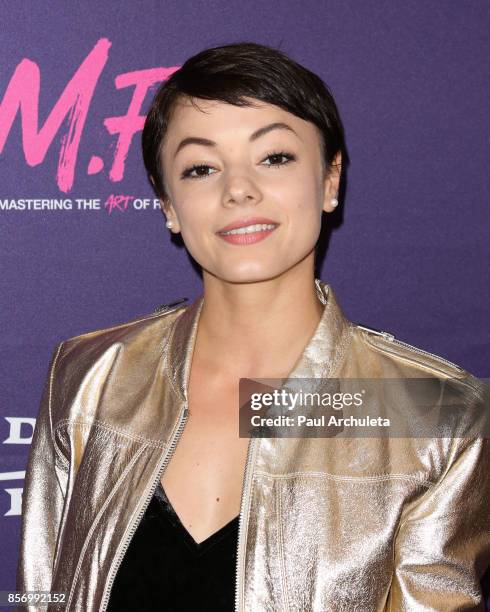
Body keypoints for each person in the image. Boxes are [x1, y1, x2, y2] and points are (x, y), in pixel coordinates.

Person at [17, 41, 490, 611]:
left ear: (331, 179)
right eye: (201, 167)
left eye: (275, 157)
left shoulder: (434, 413)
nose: (238, 188)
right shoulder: (91, 374)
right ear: (168, 204)